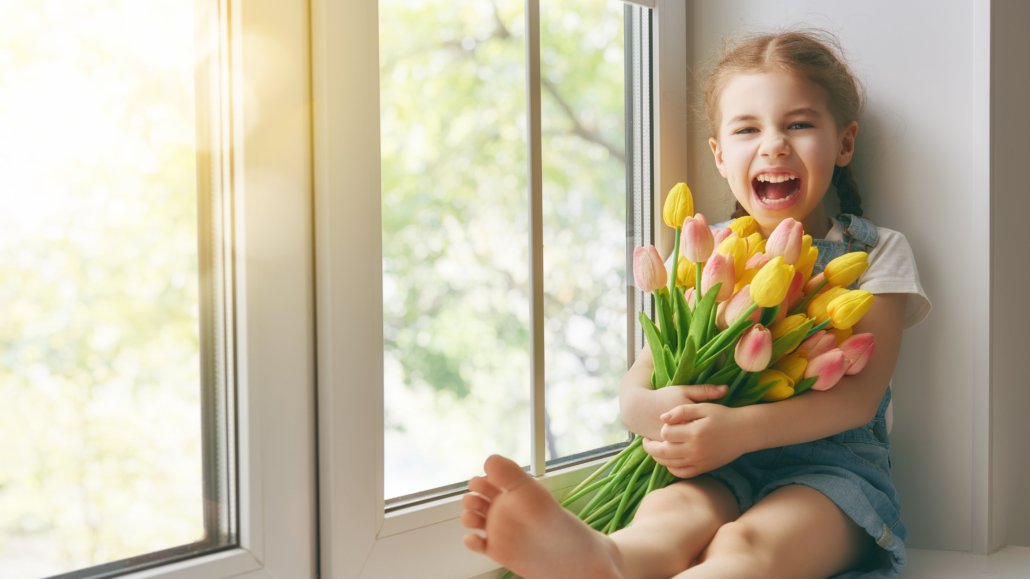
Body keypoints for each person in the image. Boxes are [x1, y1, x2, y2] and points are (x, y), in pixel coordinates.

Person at [459, 29, 930, 579]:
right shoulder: (707, 249)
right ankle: (607, 561)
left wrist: (738, 430)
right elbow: (640, 381)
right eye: (748, 129)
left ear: (844, 143)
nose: (774, 144)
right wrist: (651, 411)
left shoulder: (874, 251)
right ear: (720, 154)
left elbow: (855, 401)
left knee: (747, 544)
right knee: (670, 514)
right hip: (715, 463)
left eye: (798, 124)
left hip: (831, 472)